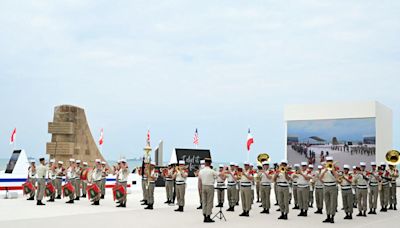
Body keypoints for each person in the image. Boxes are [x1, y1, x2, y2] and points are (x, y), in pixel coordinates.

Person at [319, 156, 339, 223]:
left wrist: (332, 169)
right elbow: (320, 178)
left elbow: (337, 178)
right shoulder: (323, 169)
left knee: (333, 202)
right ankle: (328, 216)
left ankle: (332, 217)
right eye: (328, 161)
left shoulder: (335, 169)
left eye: (330, 161)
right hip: (326, 186)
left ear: (332, 162)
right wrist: (325, 170)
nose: (329, 162)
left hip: (333, 186)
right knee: (327, 202)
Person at [198, 158, 218, 223]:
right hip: (210, 186)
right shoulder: (212, 171)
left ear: (205, 163)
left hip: (203, 186)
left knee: (204, 202)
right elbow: (218, 176)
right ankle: (208, 216)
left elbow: (199, 181)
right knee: (209, 202)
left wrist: (200, 188)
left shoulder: (201, 171)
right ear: (210, 163)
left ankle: (204, 216)